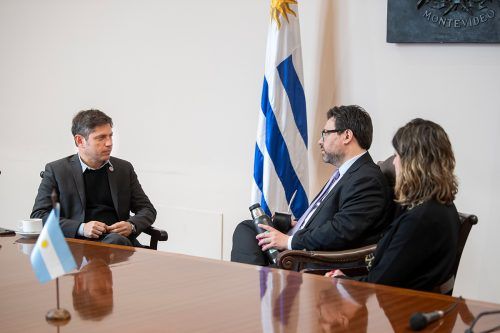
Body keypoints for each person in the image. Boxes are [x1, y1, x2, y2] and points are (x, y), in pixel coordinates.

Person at [231, 105, 394, 266]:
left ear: (347, 136)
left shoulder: (367, 179)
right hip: (300, 242)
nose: (319, 141)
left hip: (309, 258)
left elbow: (340, 232)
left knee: (251, 257)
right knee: (247, 228)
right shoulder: (347, 174)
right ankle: (260, 278)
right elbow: (327, 215)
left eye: (325, 134)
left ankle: (262, 279)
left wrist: (288, 241)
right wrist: (296, 224)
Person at [327, 118, 460, 292]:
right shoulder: (440, 205)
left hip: (402, 309)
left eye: (397, 155)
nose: (394, 162)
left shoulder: (420, 218)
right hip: (410, 304)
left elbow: (379, 283)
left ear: (414, 163)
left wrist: (342, 280)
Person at [31, 109, 156, 247]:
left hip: (121, 243)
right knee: (115, 242)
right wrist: (81, 227)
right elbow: (39, 215)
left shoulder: (123, 169)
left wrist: (131, 225)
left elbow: (147, 209)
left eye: (110, 136)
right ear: (80, 141)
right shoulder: (57, 170)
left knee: (116, 241)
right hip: (78, 247)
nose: (109, 143)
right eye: (101, 138)